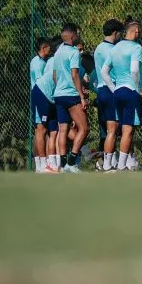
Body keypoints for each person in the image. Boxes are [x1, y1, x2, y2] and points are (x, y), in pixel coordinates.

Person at [101, 18, 142, 172]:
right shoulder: (136, 48)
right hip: (131, 92)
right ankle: (121, 166)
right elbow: (134, 70)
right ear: (135, 31)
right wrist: (138, 89)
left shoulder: (115, 48)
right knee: (128, 131)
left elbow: (103, 72)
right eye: (138, 31)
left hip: (118, 92)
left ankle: (113, 164)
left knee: (119, 130)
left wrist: (114, 89)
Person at [51, 22, 90, 173]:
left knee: (63, 130)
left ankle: (62, 164)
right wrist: (81, 96)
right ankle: (71, 163)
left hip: (59, 95)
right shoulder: (73, 52)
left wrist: (60, 87)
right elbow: (75, 75)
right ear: (73, 36)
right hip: (71, 95)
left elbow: (55, 76)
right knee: (84, 128)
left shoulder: (58, 52)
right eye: (77, 33)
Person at [93, 19, 123, 172]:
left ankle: (106, 162)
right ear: (114, 33)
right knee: (113, 129)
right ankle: (107, 165)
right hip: (110, 89)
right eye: (120, 33)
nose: (120, 36)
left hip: (101, 91)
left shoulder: (98, 48)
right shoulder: (112, 50)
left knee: (108, 129)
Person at [30, 37, 52, 173]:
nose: (51, 50)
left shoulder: (42, 61)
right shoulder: (38, 64)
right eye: (49, 47)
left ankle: (44, 164)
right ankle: (41, 165)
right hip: (40, 98)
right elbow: (40, 84)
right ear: (43, 48)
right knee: (41, 129)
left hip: (44, 98)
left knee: (45, 130)